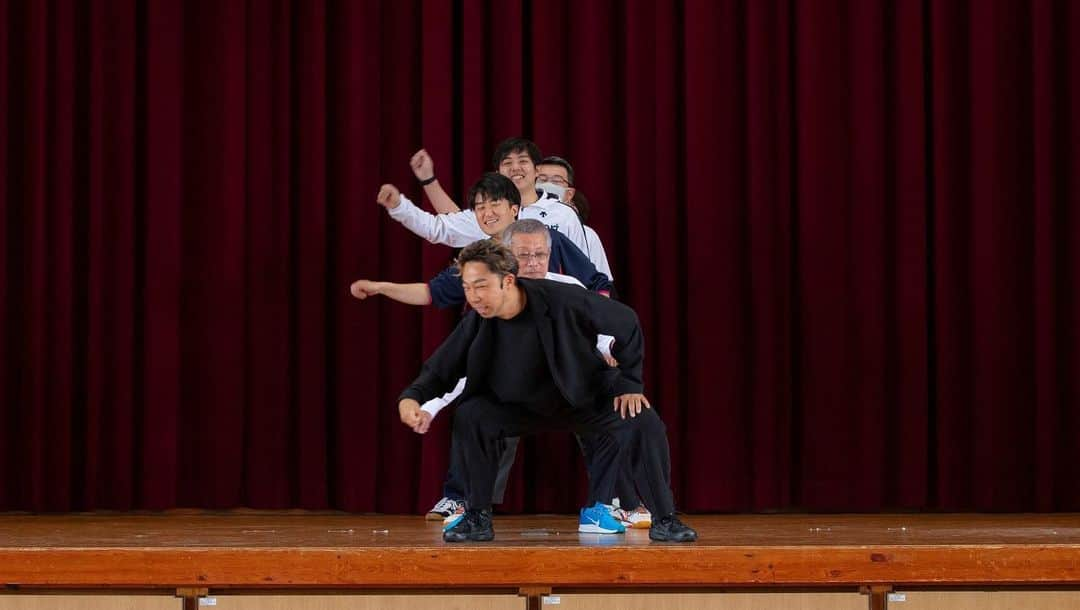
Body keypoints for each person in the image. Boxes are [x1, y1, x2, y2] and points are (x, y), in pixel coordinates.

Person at [397, 239, 697, 543]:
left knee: (642, 419)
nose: (473, 297)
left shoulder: (564, 298)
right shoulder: (477, 319)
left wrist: (630, 382)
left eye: (481, 286)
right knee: (471, 415)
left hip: (583, 398)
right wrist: (412, 397)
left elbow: (626, 321)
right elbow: (443, 366)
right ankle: (477, 517)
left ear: (508, 281)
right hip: (516, 407)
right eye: (467, 287)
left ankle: (665, 519)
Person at [391, 138, 591, 255]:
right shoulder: (491, 215)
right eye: (507, 163)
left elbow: (584, 270)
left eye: (523, 161)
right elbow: (436, 228)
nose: (515, 168)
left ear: (537, 169)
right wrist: (398, 206)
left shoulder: (563, 214)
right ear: (497, 172)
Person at [535, 156, 614, 282]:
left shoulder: (587, 234)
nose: (547, 185)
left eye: (556, 181)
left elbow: (600, 282)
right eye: (541, 180)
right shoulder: (516, 222)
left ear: (569, 194)